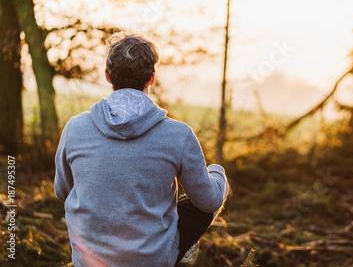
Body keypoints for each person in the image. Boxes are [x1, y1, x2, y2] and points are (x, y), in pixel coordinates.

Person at [54, 32, 229, 267]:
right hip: (153, 260)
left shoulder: (75, 127)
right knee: (196, 202)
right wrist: (218, 174)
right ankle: (178, 253)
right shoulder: (178, 135)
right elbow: (208, 202)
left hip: (88, 260)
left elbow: (62, 191)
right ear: (152, 78)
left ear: (108, 76)